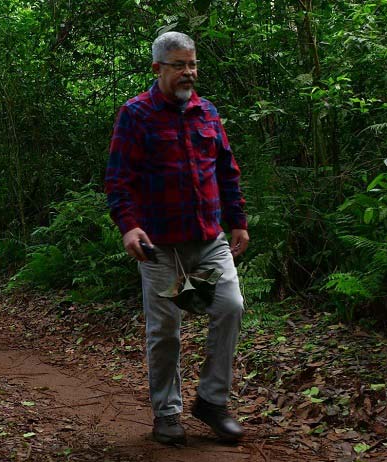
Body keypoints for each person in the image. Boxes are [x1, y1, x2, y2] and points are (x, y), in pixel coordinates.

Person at [105, 31, 248, 446]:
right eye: (180, 65)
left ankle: (212, 401)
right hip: (159, 247)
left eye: (193, 64)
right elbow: (118, 181)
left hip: (207, 239)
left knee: (230, 306)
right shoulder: (136, 115)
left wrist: (237, 220)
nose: (189, 73)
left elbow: (227, 171)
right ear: (157, 68)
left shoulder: (207, 112)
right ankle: (167, 413)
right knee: (166, 328)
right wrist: (128, 225)